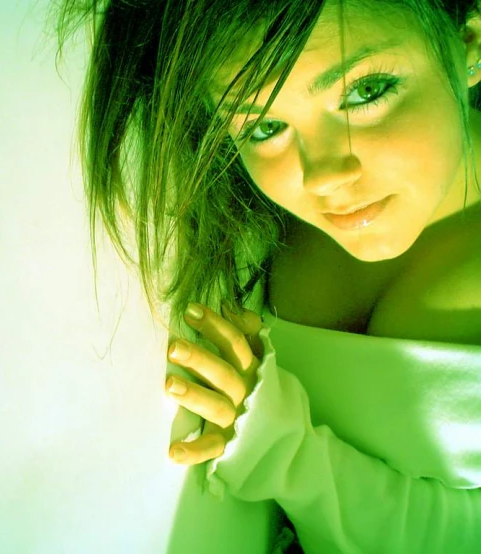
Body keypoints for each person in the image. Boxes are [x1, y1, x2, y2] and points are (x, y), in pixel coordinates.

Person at [51, 0, 481, 551]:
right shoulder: (249, 217)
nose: (325, 175)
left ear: (468, 40)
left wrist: (282, 450)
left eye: (366, 92)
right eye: (264, 125)